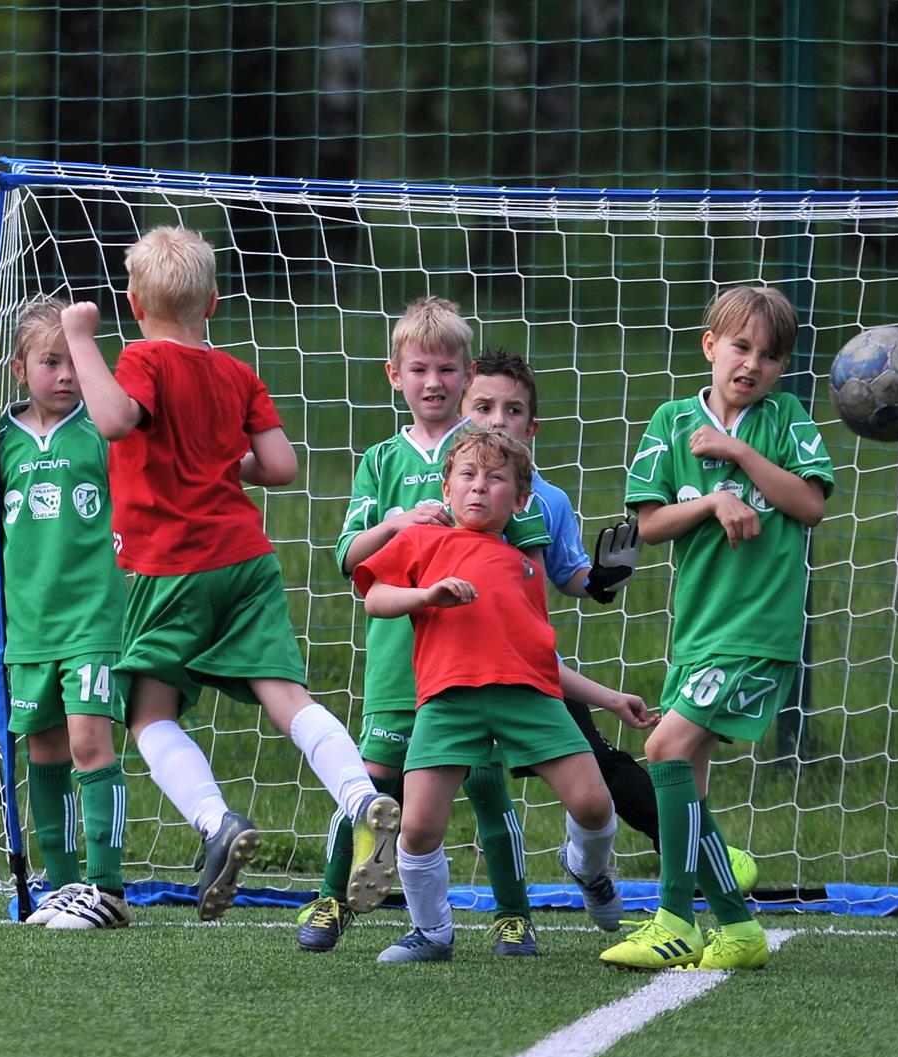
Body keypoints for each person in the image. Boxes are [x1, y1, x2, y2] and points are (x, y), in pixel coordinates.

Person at [60, 225, 400, 922]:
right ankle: (361, 797)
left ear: (133, 303)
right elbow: (279, 466)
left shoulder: (143, 357)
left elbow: (114, 420)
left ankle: (217, 821)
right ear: (213, 303)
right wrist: (216, 461)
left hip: (170, 566)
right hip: (247, 559)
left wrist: (79, 338)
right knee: (288, 696)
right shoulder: (237, 373)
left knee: (149, 715)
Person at [296, 297, 557, 957]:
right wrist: (398, 522)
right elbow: (348, 557)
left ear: (467, 377)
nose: (433, 382)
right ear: (395, 375)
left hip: (477, 660)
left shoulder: (490, 455)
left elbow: (530, 557)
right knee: (372, 777)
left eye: (446, 369)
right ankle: (334, 896)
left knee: (487, 783)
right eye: (419, 369)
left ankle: (513, 914)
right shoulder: (382, 460)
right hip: (398, 657)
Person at [461, 349, 761, 908]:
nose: (498, 420)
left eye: (513, 410)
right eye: (483, 407)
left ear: (532, 427)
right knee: (429, 782)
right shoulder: (442, 490)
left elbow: (569, 574)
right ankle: (378, 900)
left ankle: (691, 855)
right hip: (447, 670)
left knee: (599, 771)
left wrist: (598, 580)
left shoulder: (547, 500)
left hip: (528, 668)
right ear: (462, 413)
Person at [353, 427, 656, 964]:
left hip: (529, 699)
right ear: (446, 488)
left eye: (495, 479)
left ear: (519, 500)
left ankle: (587, 868)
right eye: (468, 475)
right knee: (418, 828)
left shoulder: (523, 564)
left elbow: (539, 654)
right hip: (448, 701)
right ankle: (432, 932)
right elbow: (375, 596)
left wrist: (609, 698)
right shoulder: (421, 542)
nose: (478, 487)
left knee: (593, 804)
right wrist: (427, 595)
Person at [599, 286, 834, 972]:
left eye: (770, 355)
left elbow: (810, 504)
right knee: (688, 783)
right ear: (710, 345)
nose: (753, 364)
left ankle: (675, 919)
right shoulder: (672, 422)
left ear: (782, 367)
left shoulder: (785, 420)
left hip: (757, 630)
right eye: (740, 346)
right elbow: (648, 524)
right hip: (698, 634)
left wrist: (738, 456)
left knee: (664, 747)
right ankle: (734, 923)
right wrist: (712, 501)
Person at [0, 297, 131, 931]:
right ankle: (62, 885)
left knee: (90, 742)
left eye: (73, 362)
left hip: (91, 620)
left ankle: (107, 887)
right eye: (49, 362)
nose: (65, 375)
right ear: (18, 369)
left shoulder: (99, 432)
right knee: (45, 751)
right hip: (29, 627)